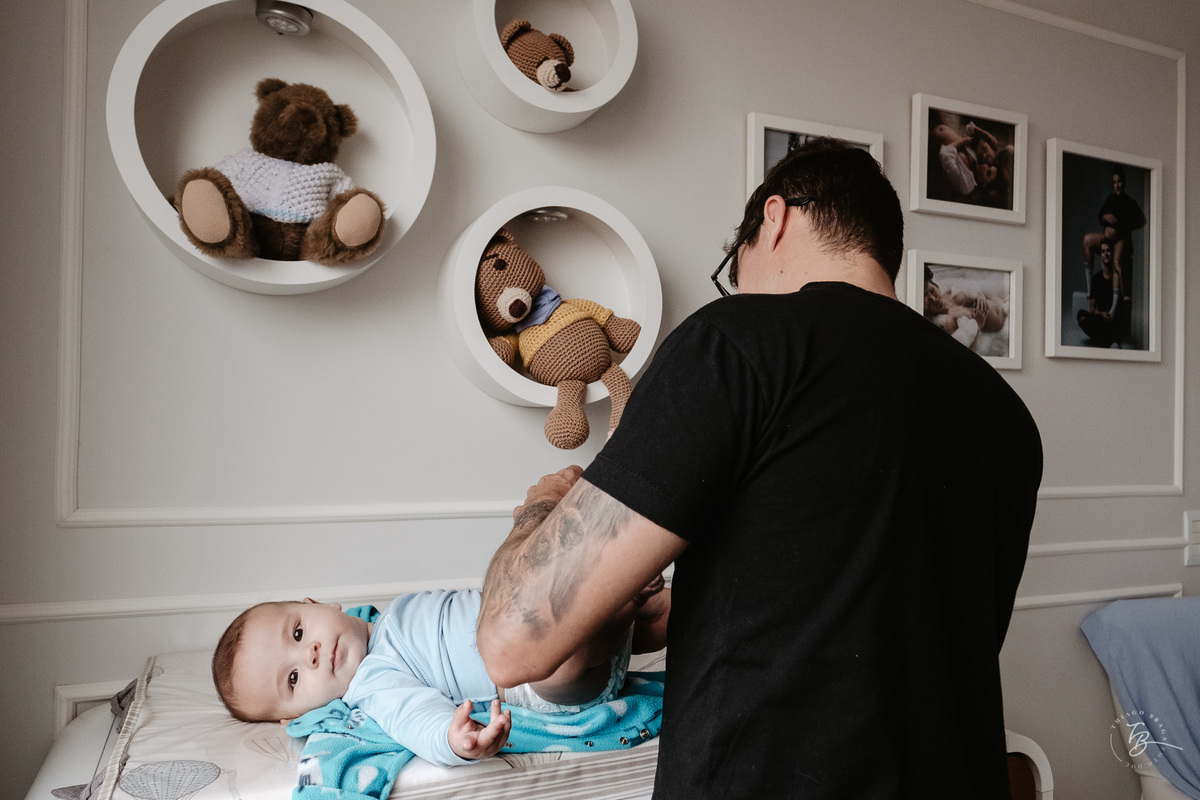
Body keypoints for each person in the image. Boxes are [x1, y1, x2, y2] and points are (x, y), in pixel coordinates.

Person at [476, 137, 1043, 798]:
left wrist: (544, 508)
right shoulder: (1005, 415)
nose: (739, 286)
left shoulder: (737, 341)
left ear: (775, 218)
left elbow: (511, 643)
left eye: (734, 266)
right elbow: (863, 607)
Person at [210, 572, 669, 768]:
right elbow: (415, 720)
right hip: (537, 683)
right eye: (293, 679)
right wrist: (453, 741)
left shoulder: (390, 620)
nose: (309, 655)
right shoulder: (373, 683)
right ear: (299, 715)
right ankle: (616, 603)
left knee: (661, 619)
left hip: (538, 626)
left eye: (297, 632)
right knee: (563, 655)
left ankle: (656, 612)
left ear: (318, 604)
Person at [1080, 163, 1145, 296]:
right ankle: (1090, 289)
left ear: (1124, 182)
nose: (1117, 185)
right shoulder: (1110, 199)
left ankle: (1117, 301)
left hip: (1121, 241)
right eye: (1114, 182)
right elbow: (1100, 216)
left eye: (1119, 182)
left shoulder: (1130, 202)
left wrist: (1124, 225)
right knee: (1087, 240)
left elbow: (1142, 221)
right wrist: (1105, 216)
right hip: (1107, 240)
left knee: (1116, 262)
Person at [922, 265, 1008, 350]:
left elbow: (972, 285)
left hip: (1000, 301)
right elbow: (965, 351)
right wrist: (978, 326)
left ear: (936, 285)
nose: (934, 299)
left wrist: (980, 294)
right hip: (1002, 329)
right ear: (924, 308)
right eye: (928, 302)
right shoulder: (947, 322)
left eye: (932, 291)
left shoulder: (950, 292)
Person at [1077, 239, 1122, 346]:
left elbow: (1122, 304)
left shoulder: (1116, 277)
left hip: (1113, 319)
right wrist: (1102, 314)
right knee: (1081, 316)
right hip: (1101, 318)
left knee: (1109, 324)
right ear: (1101, 255)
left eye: (1108, 251)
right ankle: (1104, 338)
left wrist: (1111, 314)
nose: (1105, 254)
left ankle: (1105, 339)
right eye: (1103, 251)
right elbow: (1092, 309)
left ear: (1113, 253)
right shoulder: (1096, 279)